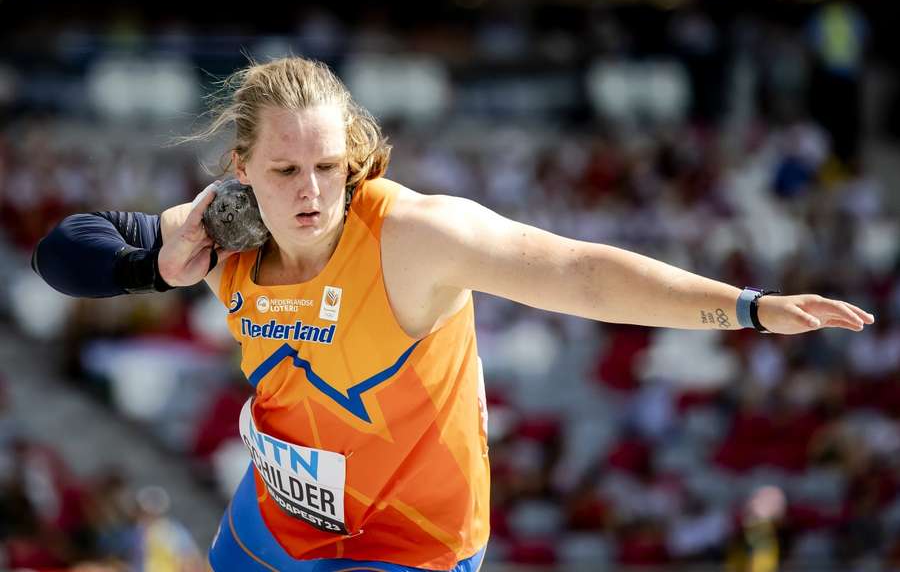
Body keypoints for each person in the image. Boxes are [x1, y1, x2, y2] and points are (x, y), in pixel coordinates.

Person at [30, 57, 874, 571]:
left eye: (328, 165)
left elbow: (579, 274)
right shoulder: (226, 229)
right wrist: (157, 255)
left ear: (353, 157)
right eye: (284, 171)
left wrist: (747, 308)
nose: (311, 193)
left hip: (415, 537)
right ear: (240, 165)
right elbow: (61, 254)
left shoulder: (413, 236)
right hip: (282, 516)